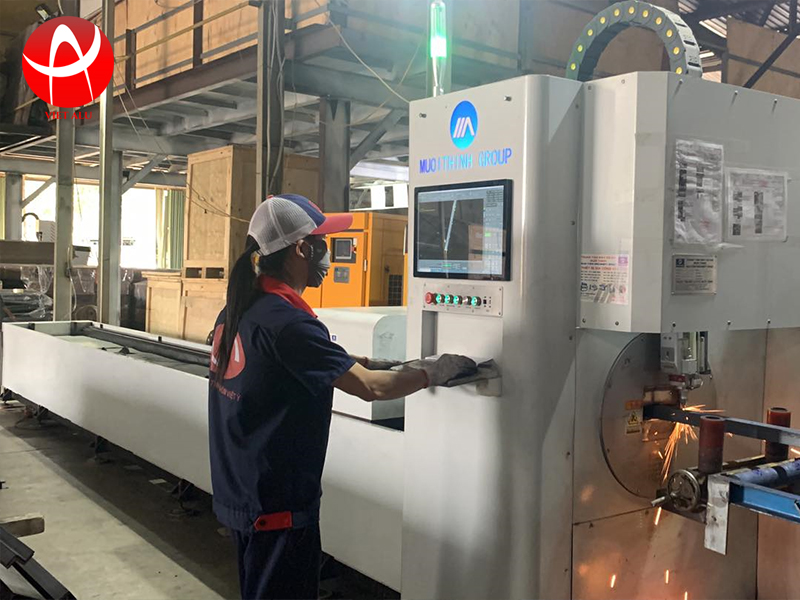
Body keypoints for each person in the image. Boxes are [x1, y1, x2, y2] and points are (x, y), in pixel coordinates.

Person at [208, 194, 475, 600]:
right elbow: (373, 388)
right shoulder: (289, 323)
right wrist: (433, 371)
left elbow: (286, 362)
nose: (327, 254)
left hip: (242, 496)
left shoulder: (241, 308)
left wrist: (370, 361)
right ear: (301, 249)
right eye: (323, 243)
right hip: (278, 510)